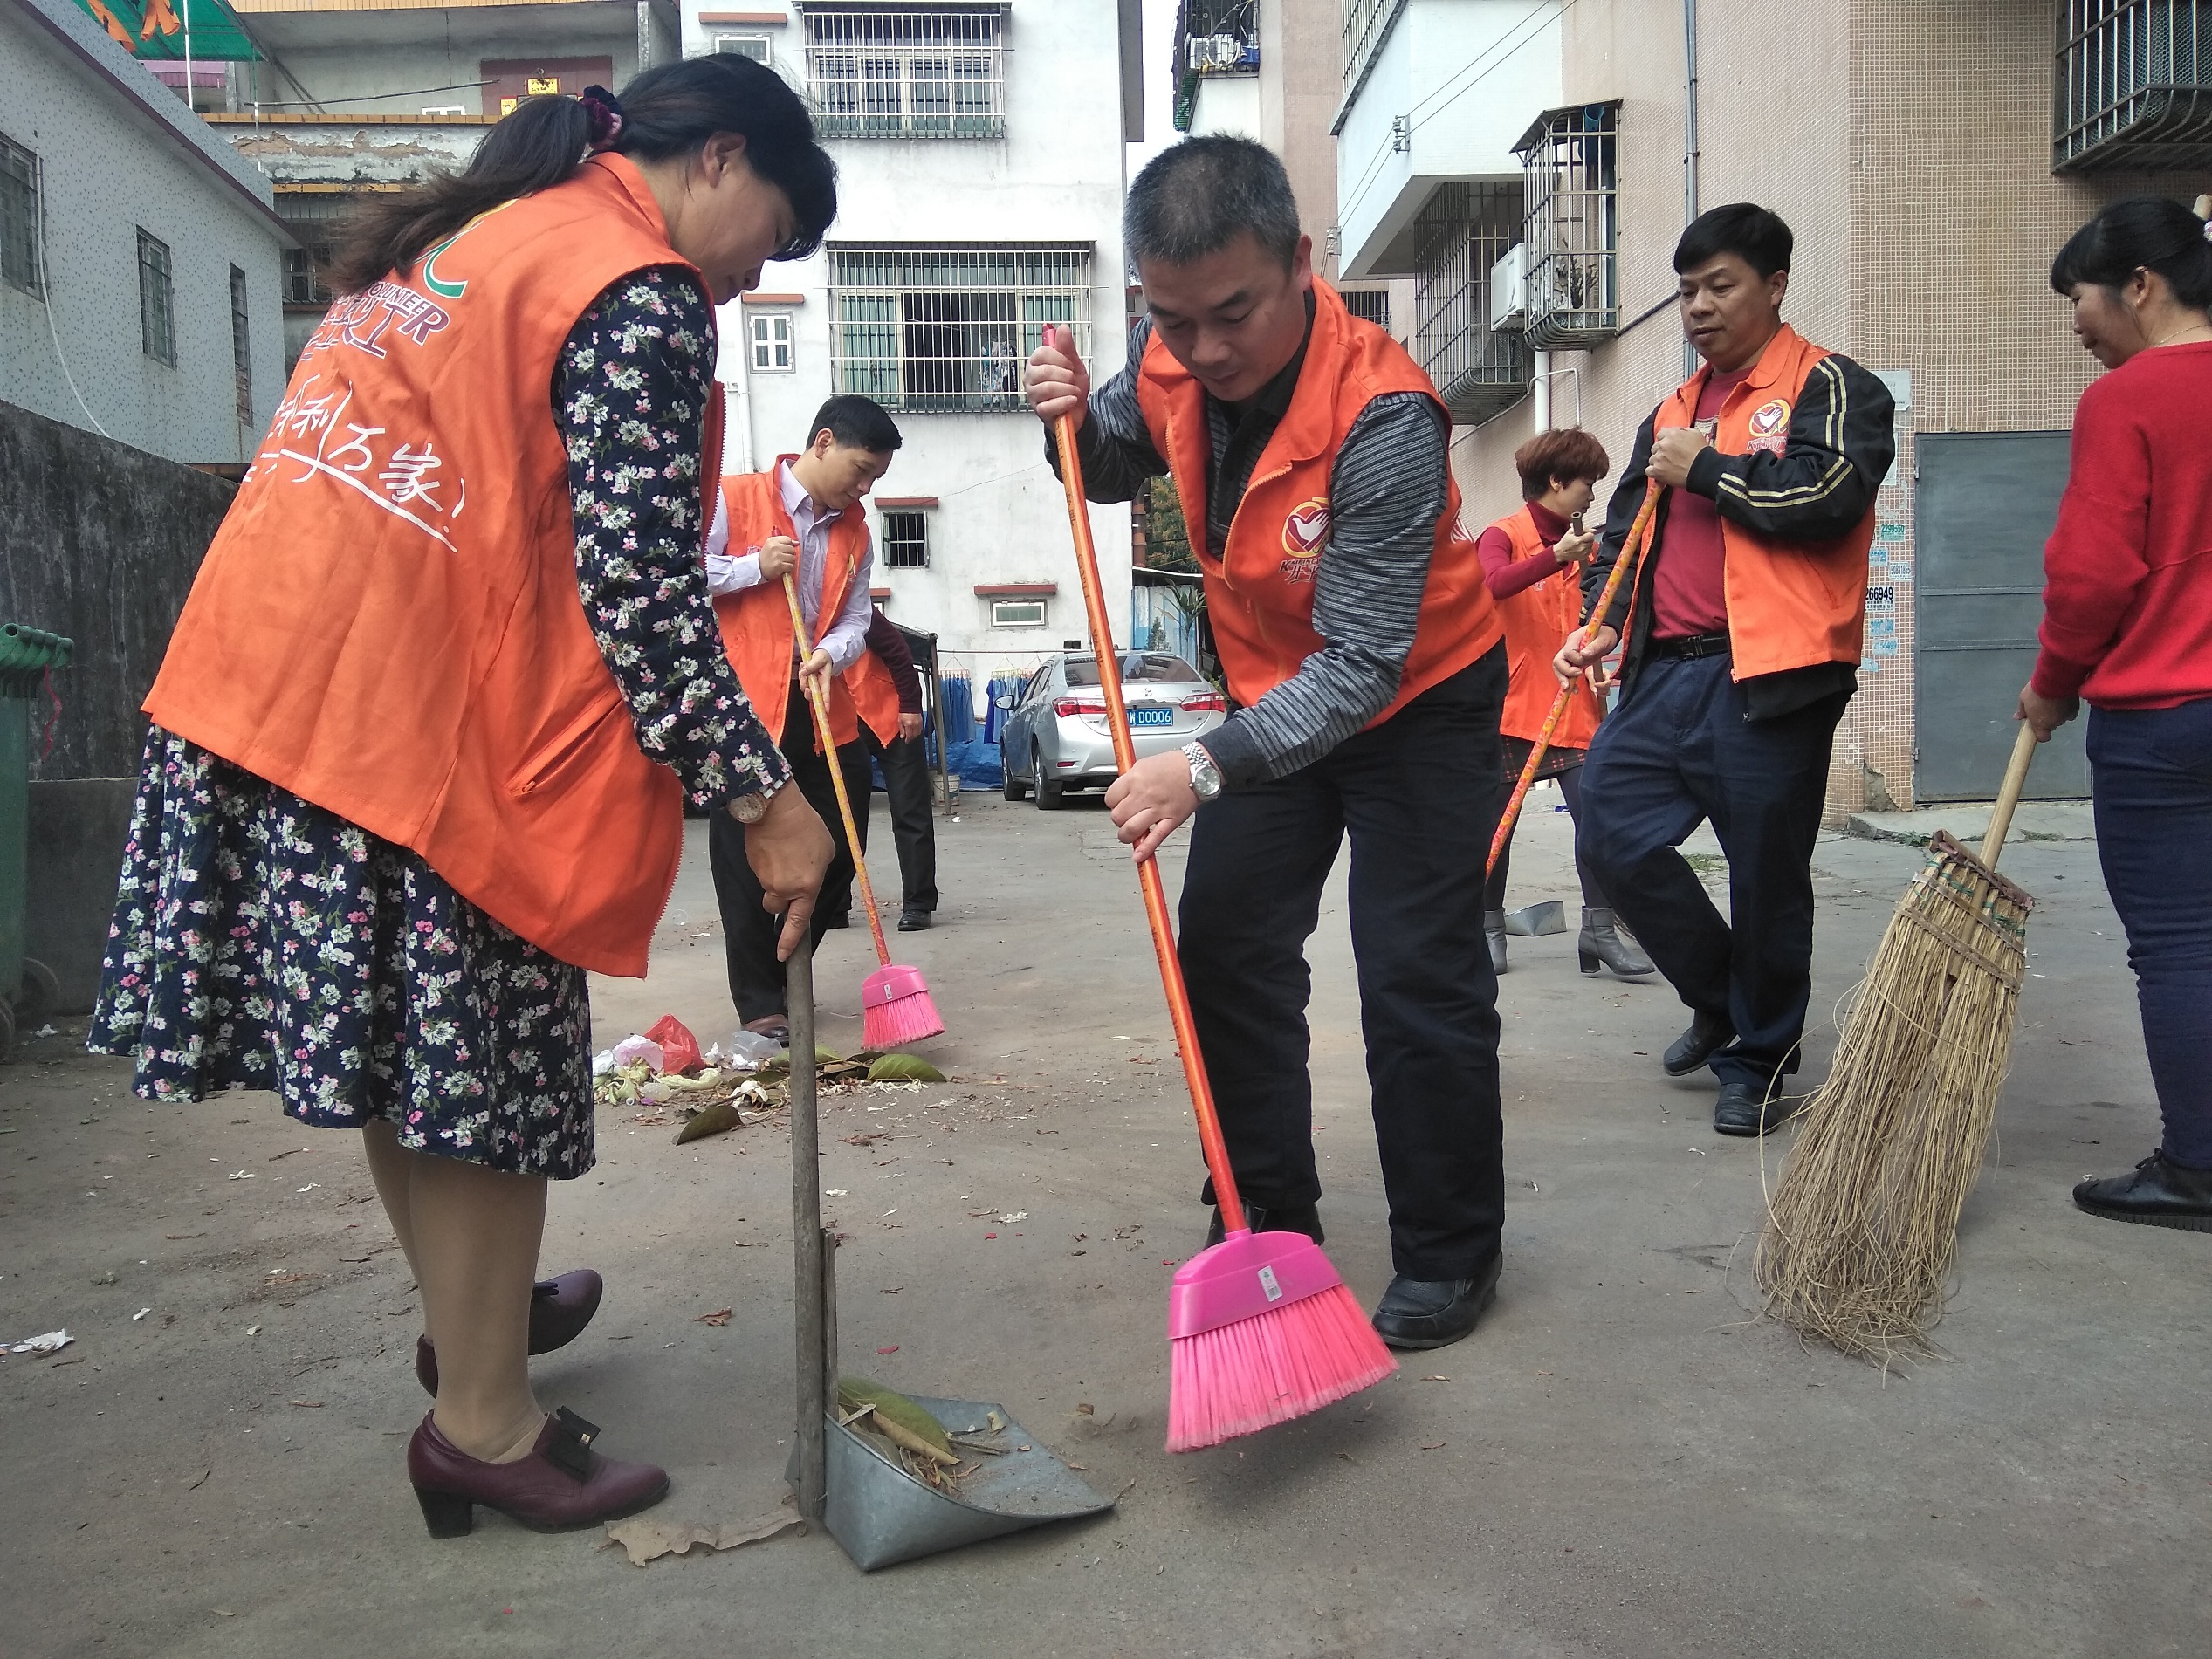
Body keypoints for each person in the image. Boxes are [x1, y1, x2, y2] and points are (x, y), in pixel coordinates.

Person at [86, 64, 838, 1538]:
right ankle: (484, 1423)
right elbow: (641, 589)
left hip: (270, 685)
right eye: (772, 236)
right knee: (485, 1081)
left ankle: (470, 1313)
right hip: (409, 729)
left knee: (408, 1060)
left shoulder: (476, 237)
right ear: (720, 157)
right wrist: (762, 795)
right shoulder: (630, 287)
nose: (753, 278)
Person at [1025, 136, 1510, 1350]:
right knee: (1228, 950)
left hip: (1415, 699)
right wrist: (1063, 419)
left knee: (1413, 970)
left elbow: (1360, 665)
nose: (1204, 349)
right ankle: (1264, 1215)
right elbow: (1110, 458)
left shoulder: (1384, 415)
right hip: (1269, 692)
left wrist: (1198, 765)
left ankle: (1449, 1247)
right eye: (1173, 319)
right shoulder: (1169, 357)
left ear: (1297, 262)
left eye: (1232, 313)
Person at [1556, 203, 1894, 1137]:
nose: (1697, 307)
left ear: (1774, 285)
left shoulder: (1834, 384)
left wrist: (1709, 470)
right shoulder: (1670, 412)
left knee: (1765, 876)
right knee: (1608, 830)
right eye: (1686, 291)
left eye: (1719, 286)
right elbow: (1624, 537)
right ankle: (1720, 1000)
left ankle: (1759, 1059)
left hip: (1773, 675)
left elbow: (1831, 495)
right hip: (1663, 673)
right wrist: (1598, 624)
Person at [2020, 195, 2212, 1232]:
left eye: (2079, 300)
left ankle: (2197, 1167)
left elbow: (2090, 574)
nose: (2077, 324)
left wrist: (2053, 678)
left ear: (2138, 285)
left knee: (2179, 942)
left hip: (2167, 718)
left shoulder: (2129, 399)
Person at [706, 396, 903, 1042]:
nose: (865, 487)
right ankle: (763, 1003)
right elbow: (677, 577)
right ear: (822, 443)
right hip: (745, 705)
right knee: (744, 850)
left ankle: (786, 967)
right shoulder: (733, 498)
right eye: (861, 469)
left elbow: (856, 618)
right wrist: (754, 567)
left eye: (876, 477)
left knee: (841, 844)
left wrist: (830, 654)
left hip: (819, 699)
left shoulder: (856, 531)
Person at [1475, 428, 1652, 982]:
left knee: (1596, 818)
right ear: (1556, 481)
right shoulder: (1502, 535)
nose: (1592, 494)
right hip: (1511, 707)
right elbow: (1490, 584)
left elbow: (1604, 610)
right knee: (1496, 826)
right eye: (1586, 482)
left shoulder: (1591, 548)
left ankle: (1599, 930)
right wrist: (1555, 557)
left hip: (1574, 705)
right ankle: (1487, 929)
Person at [862, 607, 940, 930]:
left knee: (910, 813)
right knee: (839, 817)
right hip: (841, 722)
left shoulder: (849, 603)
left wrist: (910, 706)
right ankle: (833, 904)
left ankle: (919, 904)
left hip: (893, 719)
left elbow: (898, 651)